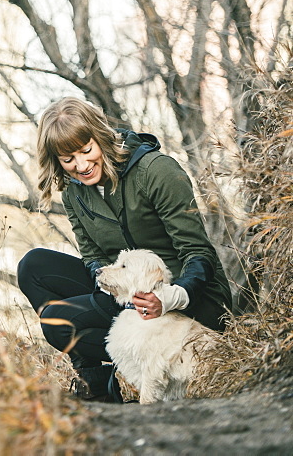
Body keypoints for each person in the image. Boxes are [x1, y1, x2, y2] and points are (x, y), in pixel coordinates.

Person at [17, 97, 232, 402]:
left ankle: (148, 369)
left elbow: (198, 253)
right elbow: (92, 256)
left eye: (86, 150)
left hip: (185, 299)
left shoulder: (157, 171)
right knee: (34, 267)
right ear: (56, 160)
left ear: (101, 136)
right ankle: (97, 381)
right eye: (68, 159)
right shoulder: (74, 192)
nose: (80, 165)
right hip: (125, 292)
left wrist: (168, 297)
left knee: (59, 322)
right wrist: (109, 284)